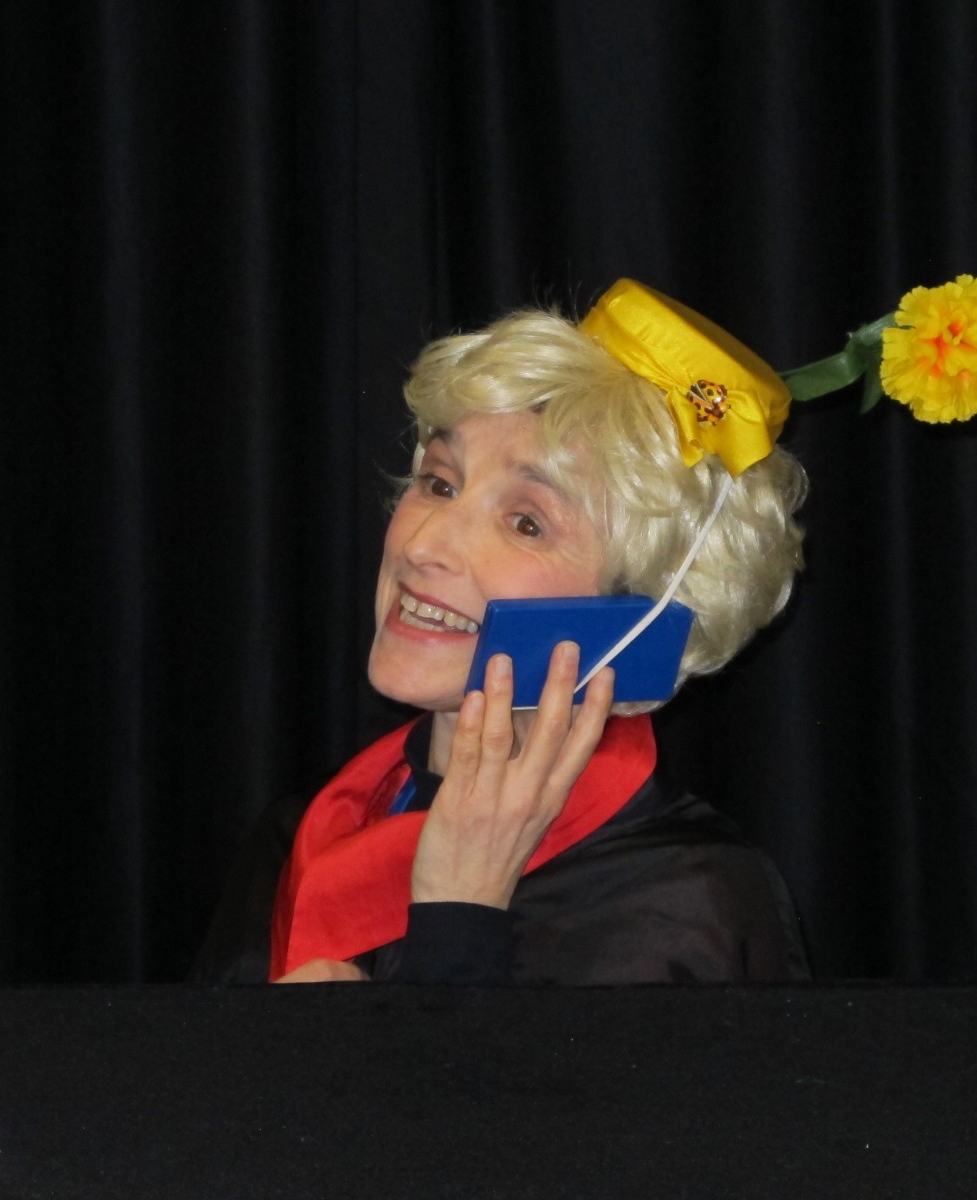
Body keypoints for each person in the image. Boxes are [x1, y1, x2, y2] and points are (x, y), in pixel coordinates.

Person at [191, 279, 811, 985]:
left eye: (525, 522)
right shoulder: (300, 838)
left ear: (637, 614)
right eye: (439, 483)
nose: (423, 544)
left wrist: (458, 920)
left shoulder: (684, 905)